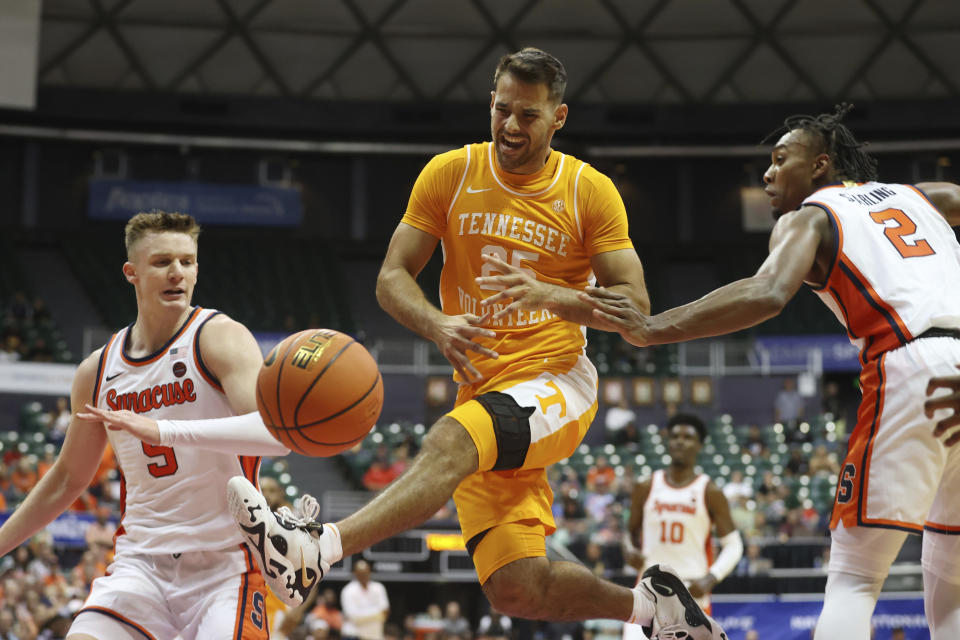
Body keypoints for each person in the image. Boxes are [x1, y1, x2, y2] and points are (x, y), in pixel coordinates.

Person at [227, 47, 726, 640]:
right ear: (490, 102)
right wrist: (436, 324)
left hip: (555, 379)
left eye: (529, 116)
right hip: (482, 388)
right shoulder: (450, 173)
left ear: (558, 118)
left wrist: (554, 295)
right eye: (502, 109)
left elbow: (637, 307)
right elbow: (391, 278)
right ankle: (654, 611)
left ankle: (316, 549)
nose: (511, 126)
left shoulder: (588, 191)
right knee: (518, 587)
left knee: (449, 439)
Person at [582, 104, 960, 639]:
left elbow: (766, 292)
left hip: (910, 361)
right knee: (952, 575)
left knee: (854, 579)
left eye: (782, 159)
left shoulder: (811, 217)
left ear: (821, 166)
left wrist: (651, 328)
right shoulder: (925, 196)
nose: (767, 173)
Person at [0, 211, 292, 639]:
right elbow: (66, 479)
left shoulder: (218, 337)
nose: (178, 273)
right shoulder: (97, 371)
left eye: (187, 262)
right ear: (131, 272)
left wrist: (165, 431)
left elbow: (275, 436)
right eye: (162, 262)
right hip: (140, 565)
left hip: (225, 568)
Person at [622, 414, 742, 639]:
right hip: (647, 591)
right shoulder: (646, 486)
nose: (679, 441)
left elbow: (734, 545)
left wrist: (711, 578)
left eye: (687, 437)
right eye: (675, 435)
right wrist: (628, 549)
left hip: (691, 593)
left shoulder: (710, 492)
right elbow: (629, 534)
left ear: (700, 445)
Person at [340, 560, 389, 640]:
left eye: (365, 573)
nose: (363, 576)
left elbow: (385, 612)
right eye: (360, 574)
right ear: (355, 574)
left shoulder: (378, 588)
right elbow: (354, 618)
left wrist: (364, 617)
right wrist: (377, 616)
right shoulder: (348, 590)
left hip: (374, 635)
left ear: (369, 572)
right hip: (353, 635)